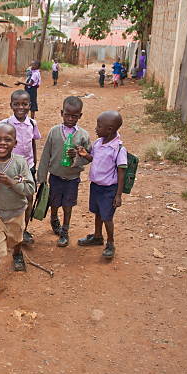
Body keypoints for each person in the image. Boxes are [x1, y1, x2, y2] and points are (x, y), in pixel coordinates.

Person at [0, 123, 36, 301]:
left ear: (15, 143)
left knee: (16, 239)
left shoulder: (20, 163)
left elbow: (30, 188)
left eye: (7, 140)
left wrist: (11, 182)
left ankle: (17, 254)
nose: (2, 143)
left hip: (17, 212)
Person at [0, 89, 41, 245]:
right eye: (16, 104)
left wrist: (34, 162)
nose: (21, 107)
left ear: (30, 105)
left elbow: (33, 142)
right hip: (10, 169)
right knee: (11, 199)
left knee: (28, 199)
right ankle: (5, 229)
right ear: (11, 105)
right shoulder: (5, 124)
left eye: (24, 104)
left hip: (28, 167)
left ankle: (23, 230)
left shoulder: (32, 123)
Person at [37, 96, 91, 247]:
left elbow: (89, 157)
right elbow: (46, 155)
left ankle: (65, 231)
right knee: (54, 203)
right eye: (67, 114)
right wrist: (41, 177)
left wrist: (78, 156)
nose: (70, 118)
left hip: (72, 178)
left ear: (80, 116)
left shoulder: (83, 136)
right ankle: (54, 220)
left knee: (68, 206)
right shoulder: (54, 132)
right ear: (62, 113)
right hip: (55, 177)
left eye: (74, 116)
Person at [76, 110, 126, 259]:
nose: (96, 128)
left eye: (99, 126)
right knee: (98, 213)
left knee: (107, 217)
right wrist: (86, 155)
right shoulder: (98, 143)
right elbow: (94, 159)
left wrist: (118, 195)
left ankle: (110, 243)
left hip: (109, 189)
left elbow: (121, 172)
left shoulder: (118, 149)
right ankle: (97, 236)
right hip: (96, 186)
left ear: (110, 129)